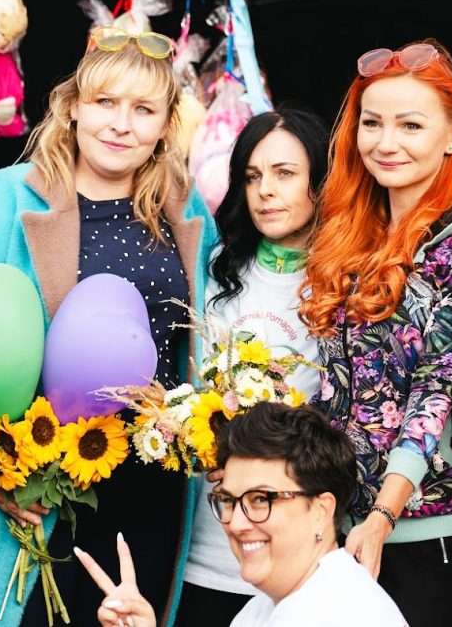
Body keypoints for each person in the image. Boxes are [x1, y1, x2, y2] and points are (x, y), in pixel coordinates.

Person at [0, 35, 219, 627]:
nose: (121, 124)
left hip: (147, 488)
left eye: (143, 110)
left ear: (165, 126)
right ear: (74, 106)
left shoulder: (186, 210)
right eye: (105, 102)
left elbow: (205, 335)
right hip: (24, 486)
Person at [299, 40, 452, 626]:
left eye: (410, 125)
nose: (386, 143)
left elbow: (440, 384)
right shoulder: (351, 230)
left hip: (431, 529)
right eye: (372, 123)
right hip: (342, 526)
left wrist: (383, 514)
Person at [176, 108, 330, 624]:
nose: (266, 190)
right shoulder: (213, 271)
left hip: (300, 555)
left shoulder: (343, 284)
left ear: (319, 181)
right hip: (207, 548)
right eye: (252, 176)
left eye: (285, 174)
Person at [77, 402, 408, 627]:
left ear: (321, 511)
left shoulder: (331, 612)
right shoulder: (273, 603)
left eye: (261, 499)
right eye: (228, 500)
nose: (235, 523)